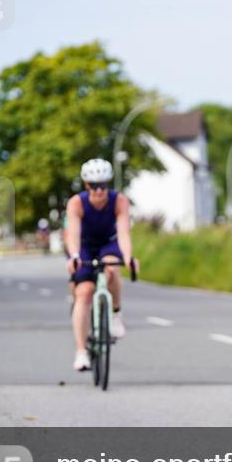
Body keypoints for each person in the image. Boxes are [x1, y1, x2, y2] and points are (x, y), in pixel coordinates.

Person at [65, 158, 136, 372]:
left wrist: (128, 258)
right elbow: (73, 234)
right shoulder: (76, 203)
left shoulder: (119, 201)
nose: (99, 191)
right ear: (87, 186)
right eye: (94, 186)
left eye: (103, 185)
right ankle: (81, 351)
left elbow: (124, 234)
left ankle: (115, 313)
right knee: (84, 292)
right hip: (84, 246)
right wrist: (74, 256)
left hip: (108, 244)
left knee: (112, 268)